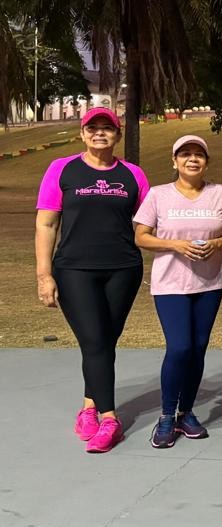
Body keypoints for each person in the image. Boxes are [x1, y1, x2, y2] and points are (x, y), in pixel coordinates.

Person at [35, 107, 149, 453]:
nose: (100, 133)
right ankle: (109, 419)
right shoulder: (62, 169)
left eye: (107, 128)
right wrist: (44, 275)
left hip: (123, 269)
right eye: (93, 128)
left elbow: (148, 225)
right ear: (83, 134)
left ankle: (89, 407)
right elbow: (46, 224)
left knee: (103, 341)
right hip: (73, 270)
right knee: (96, 339)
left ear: (117, 135)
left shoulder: (133, 175)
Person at [133, 134, 222, 448]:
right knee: (179, 347)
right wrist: (174, 245)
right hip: (171, 285)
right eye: (185, 154)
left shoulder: (220, 193)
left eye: (199, 155)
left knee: (198, 348)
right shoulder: (158, 195)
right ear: (174, 161)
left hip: (209, 284)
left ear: (206, 161)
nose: (192, 160)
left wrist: (218, 243)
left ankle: (186, 413)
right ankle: (166, 416)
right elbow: (141, 236)